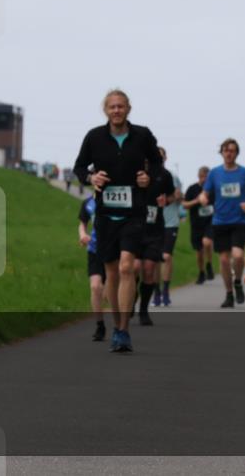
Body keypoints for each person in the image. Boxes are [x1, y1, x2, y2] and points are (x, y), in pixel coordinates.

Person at [73, 89, 162, 353]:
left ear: (128, 109)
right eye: (112, 107)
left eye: (120, 106)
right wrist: (91, 178)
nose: (116, 111)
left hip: (134, 212)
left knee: (126, 268)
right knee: (111, 273)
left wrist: (149, 177)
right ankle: (117, 324)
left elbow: (157, 164)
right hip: (105, 215)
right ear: (105, 110)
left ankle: (123, 330)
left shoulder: (143, 135)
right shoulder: (94, 137)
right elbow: (78, 168)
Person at [200, 138, 245, 308]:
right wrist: (203, 198)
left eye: (232, 150)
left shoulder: (244, 173)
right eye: (226, 150)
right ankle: (229, 293)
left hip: (239, 220)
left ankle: (238, 282)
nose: (229, 153)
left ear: (236, 153)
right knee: (225, 260)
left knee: (239, 256)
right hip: (220, 221)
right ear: (222, 153)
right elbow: (206, 192)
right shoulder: (214, 173)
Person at [139, 155, 175, 324]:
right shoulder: (132, 169)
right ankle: (130, 298)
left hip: (154, 229)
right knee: (132, 269)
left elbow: (172, 195)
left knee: (148, 268)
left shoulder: (164, 175)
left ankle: (144, 310)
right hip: (133, 228)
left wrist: (166, 200)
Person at [153, 147, 181, 307]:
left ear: (166, 158)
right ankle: (155, 292)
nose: (159, 159)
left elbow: (179, 195)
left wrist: (174, 196)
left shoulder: (172, 176)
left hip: (170, 222)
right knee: (154, 260)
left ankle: (166, 290)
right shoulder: (147, 176)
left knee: (166, 257)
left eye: (162, 157)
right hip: (153, 222)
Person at [79, 194, 107, 341]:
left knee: (110, 292)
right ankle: (100, 325)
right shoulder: (88, 202)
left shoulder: (115, 198)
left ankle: (120, 326)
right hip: (94, 249)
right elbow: (83, 223)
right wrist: (83, 234)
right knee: (96, 287)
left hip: (113, 249)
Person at [183, 166, 215, 284]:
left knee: (207, 242)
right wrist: (196, 201)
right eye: (202, 177)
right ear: (199, 176)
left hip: (210, 222)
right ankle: (201, 272)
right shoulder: (192, 189)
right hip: (196, 224)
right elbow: (184, 205)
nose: (204, 179)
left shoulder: (213, 190)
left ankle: (209, 264)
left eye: (206, 177)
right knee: (199, 251)